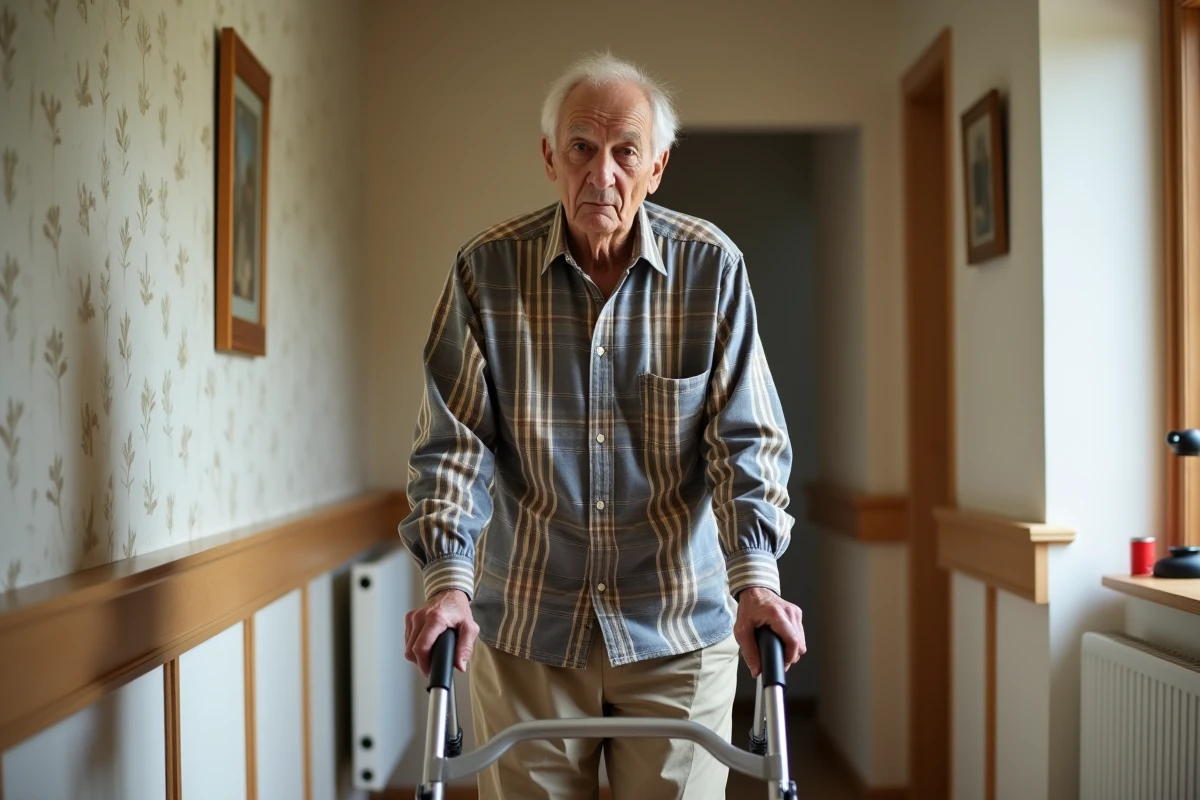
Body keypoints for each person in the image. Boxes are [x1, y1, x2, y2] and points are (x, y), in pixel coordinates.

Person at [399, 51, 805, 800]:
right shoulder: (486, 272)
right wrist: (448, 581)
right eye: (582, 147)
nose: (602, 173)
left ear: (658, 167)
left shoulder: (711, 269)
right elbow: (454, 446)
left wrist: (756, 579)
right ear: (550, 157)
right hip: (528, 630)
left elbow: (744, 440)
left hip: (678, 628)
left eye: (626, 152)